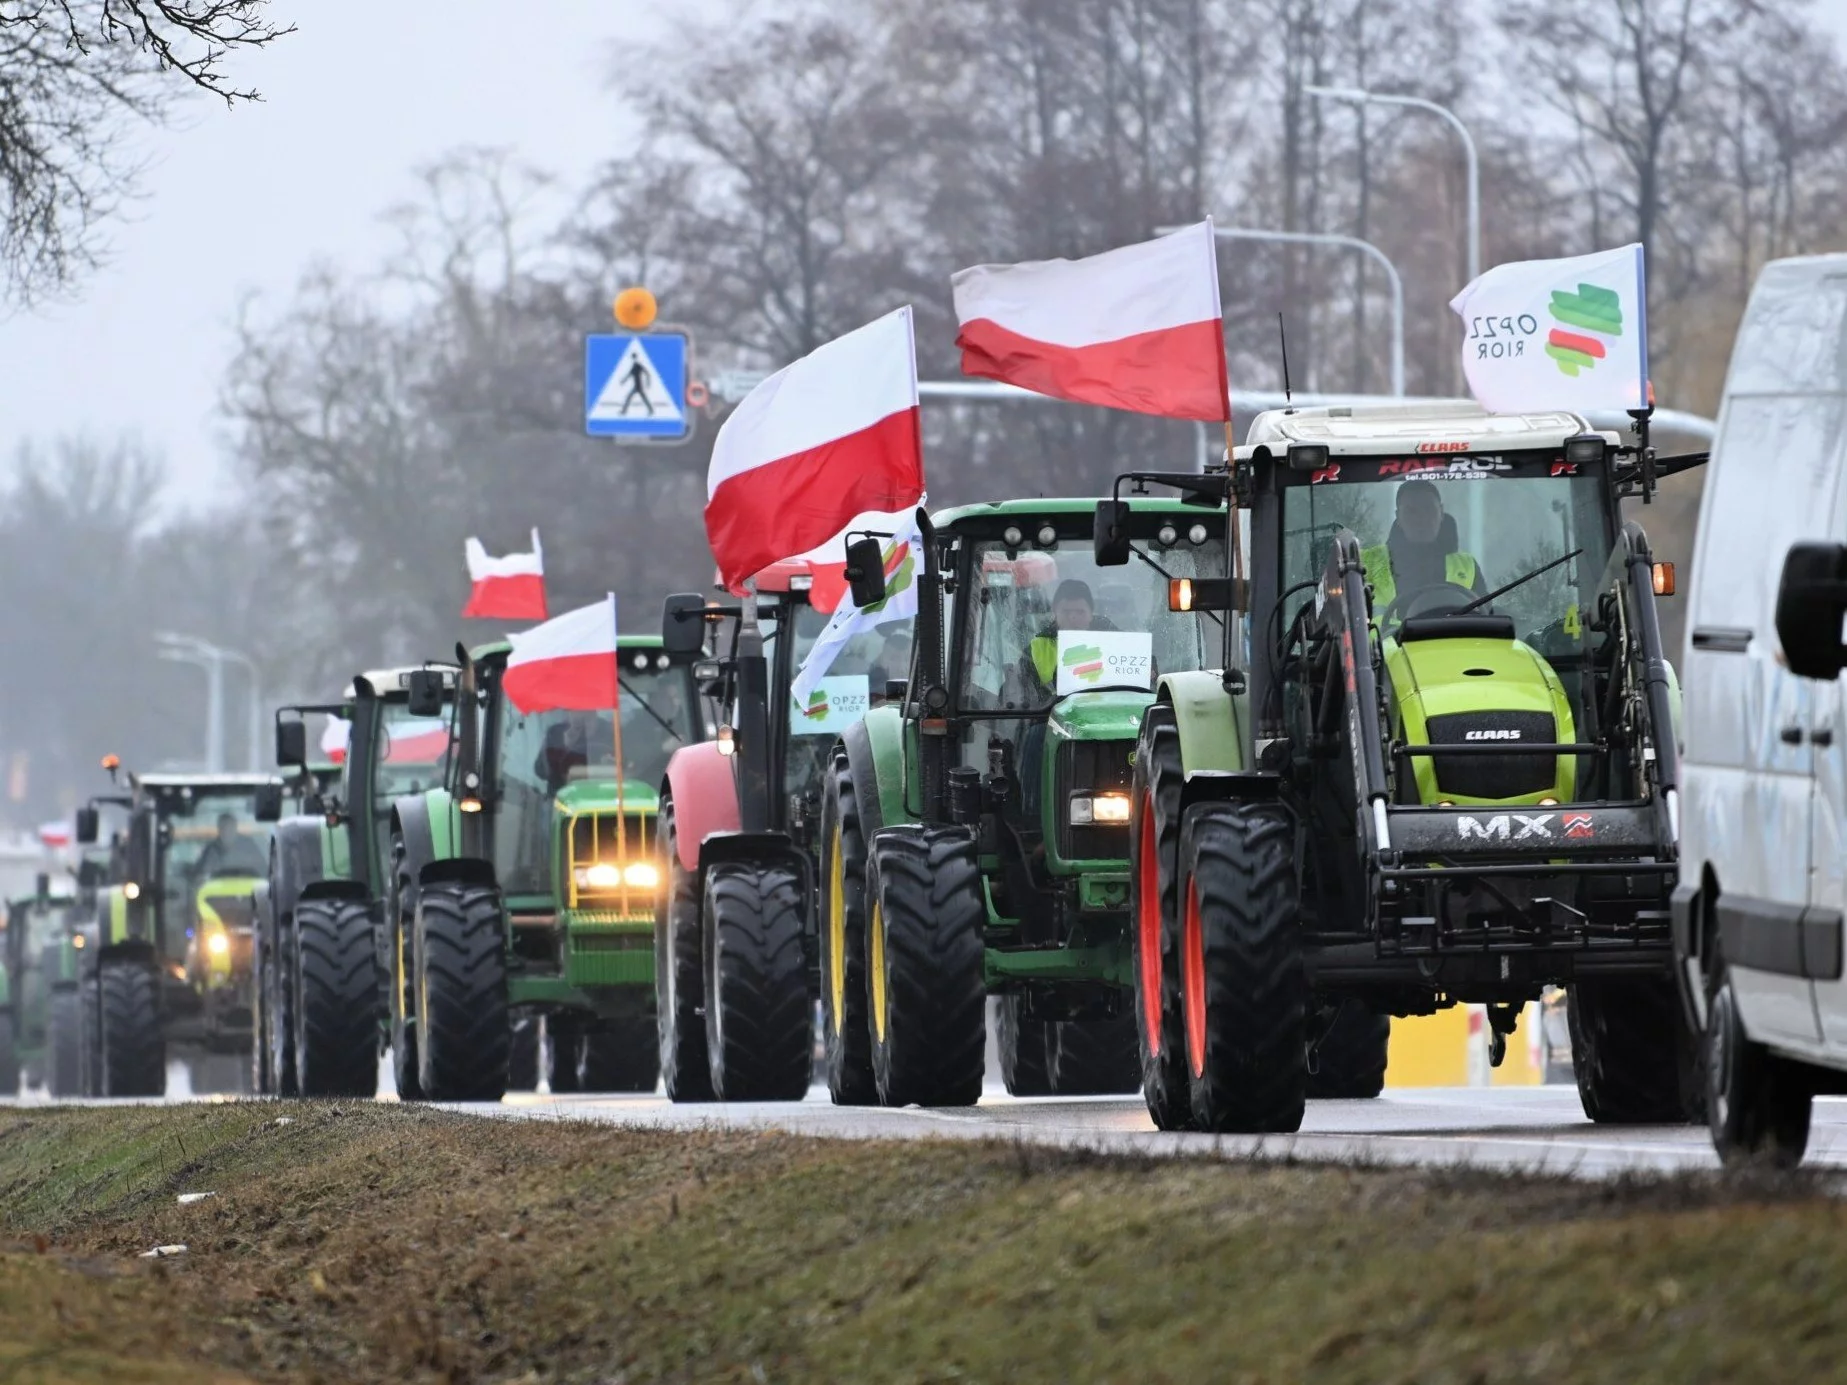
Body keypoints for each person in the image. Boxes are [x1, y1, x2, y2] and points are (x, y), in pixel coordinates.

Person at [1360, 478, 1488, 618]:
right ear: (1398, 517)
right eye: (1411, 511)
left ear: (1441, 512)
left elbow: (1485, 615)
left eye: (1429, 509)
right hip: (1384, 640)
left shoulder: (1468, 566)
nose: (1422, 518)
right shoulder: (1365, 564)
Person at [1022, 578, 1117, 695]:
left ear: (1091, 614)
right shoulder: (1035, 650)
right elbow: (1021, 696)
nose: (1072, 617)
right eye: (1066, 611)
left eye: (1080, 612)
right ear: (1055, 613)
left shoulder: (1116, 643)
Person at [192, 813, 265, 880]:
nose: (227, 831)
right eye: (224, 828)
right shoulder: (210, 850)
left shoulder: (248, 846)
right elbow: (199, 874)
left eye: (230, 827)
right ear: (219, 829)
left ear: (235, 827)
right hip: (217, 892)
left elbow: (262, 870)